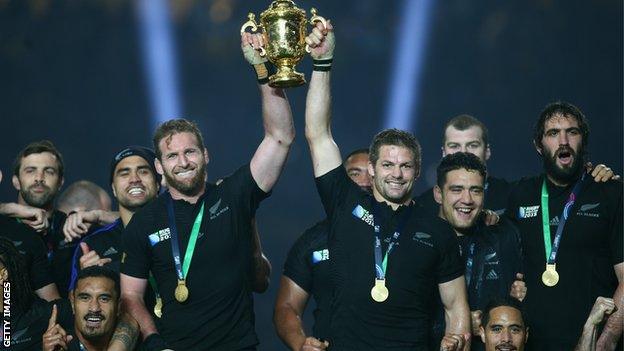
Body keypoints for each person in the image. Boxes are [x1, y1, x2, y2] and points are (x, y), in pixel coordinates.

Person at [119, 31, 295, 350]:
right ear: (159, 166)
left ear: (206, 156)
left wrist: (263, 70)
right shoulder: (144, 223)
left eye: (190, 152)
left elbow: (280, 137)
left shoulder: (233, 195)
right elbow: (130, 296)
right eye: (172, 155)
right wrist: (154, 341)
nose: (183, 162)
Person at [304, 21, 470, 350]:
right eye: (388, 165)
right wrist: (322, 64)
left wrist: (458, 340)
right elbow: (318, 135)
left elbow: (456, 307)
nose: (396, 174)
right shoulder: (344, 202)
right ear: (372, 168)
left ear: (418, 171)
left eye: (406, 166)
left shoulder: (437, 231)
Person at [506, 101, 623, 350]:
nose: (563, 141)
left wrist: (607, 340)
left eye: (572, 132)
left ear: (583, 141)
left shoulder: (611, 192)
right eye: (553, 133)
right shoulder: (520, 194)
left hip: (593, 341)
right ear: (539, 146)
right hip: (534, 343)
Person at [415, 114, 618, 217]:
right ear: (443, 153)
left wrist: (591, 178)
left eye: (472, 145)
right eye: (454, 146)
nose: (463, 153)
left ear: (487, 151)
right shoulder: (423, 207)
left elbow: (562, 198)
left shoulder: (514, 195)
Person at [274, 149, 372, 351]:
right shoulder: (313, 241)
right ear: (340, 183)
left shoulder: (405, 235)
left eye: (372, 174)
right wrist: (300, 342)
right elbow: (287, 307)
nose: (364, 181)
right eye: (355, 173)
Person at [431, 152, 526, 350]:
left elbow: (519, 300)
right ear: (438, 194)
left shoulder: (504, 236)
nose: (467, 199)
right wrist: (460, 325)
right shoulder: (420, 242)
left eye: (476, 190)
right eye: (457, 189)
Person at [42, 266, 140, 351]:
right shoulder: (56, 345)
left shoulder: (136, 342)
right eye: (85, 298)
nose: (94, 308)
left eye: (104, 299)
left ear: (118, 306)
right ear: (72, 303)